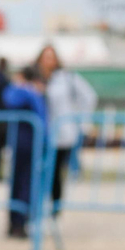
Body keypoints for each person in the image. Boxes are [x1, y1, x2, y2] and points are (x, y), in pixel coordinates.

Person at [37, 44, 95, 215]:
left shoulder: (67, 78)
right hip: (41, 132)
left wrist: (83, 123)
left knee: (54, 171)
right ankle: (38, 207)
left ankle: (55, 208)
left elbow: (89, 97)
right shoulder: (35, 79)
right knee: (40, 171)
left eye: (51, 57)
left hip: (61, 134)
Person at [0, 65, 47, 239]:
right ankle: (17, 222)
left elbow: (9, 100)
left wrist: (17, 86)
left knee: (23, 184)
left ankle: (19, 222)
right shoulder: (32, 93)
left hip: (27, 143)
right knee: (23, 184)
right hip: (26, 143)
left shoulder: (26, 92)